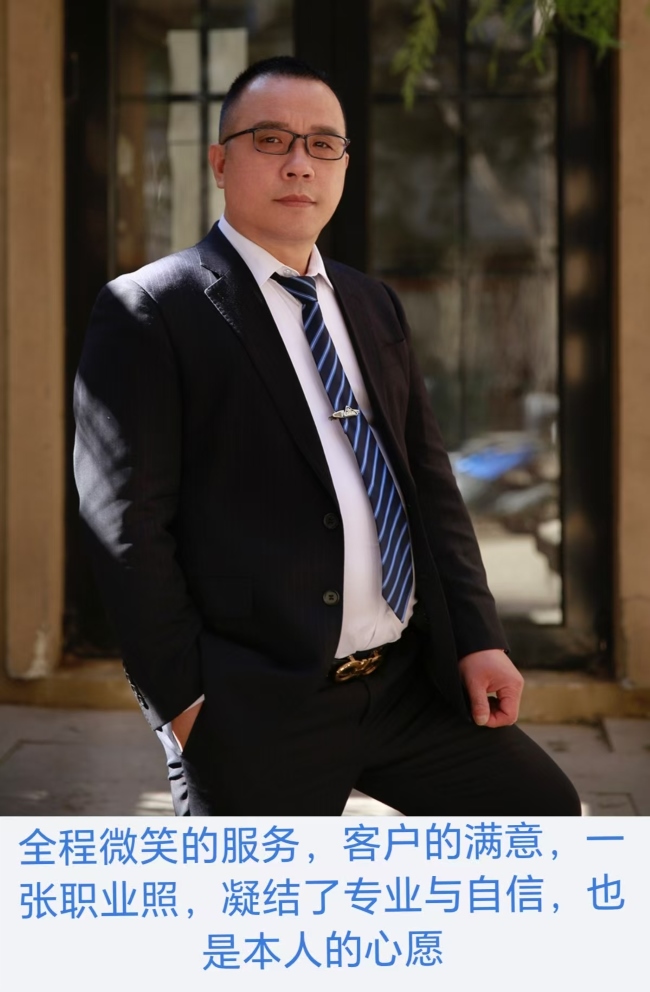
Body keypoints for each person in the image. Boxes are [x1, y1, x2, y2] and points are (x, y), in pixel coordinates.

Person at [73, 56, 580, 816]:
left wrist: (479, 637)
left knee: (540, 815)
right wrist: (185, 705)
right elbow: (125, 527)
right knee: (265, 895)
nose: (299, 163)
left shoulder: (372, 303)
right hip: (255, 704)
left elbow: (428, 485)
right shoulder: (150, 309)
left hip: (403, 685)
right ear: (219, 162)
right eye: (270, 139)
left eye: (322, 144)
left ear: (344, 163)